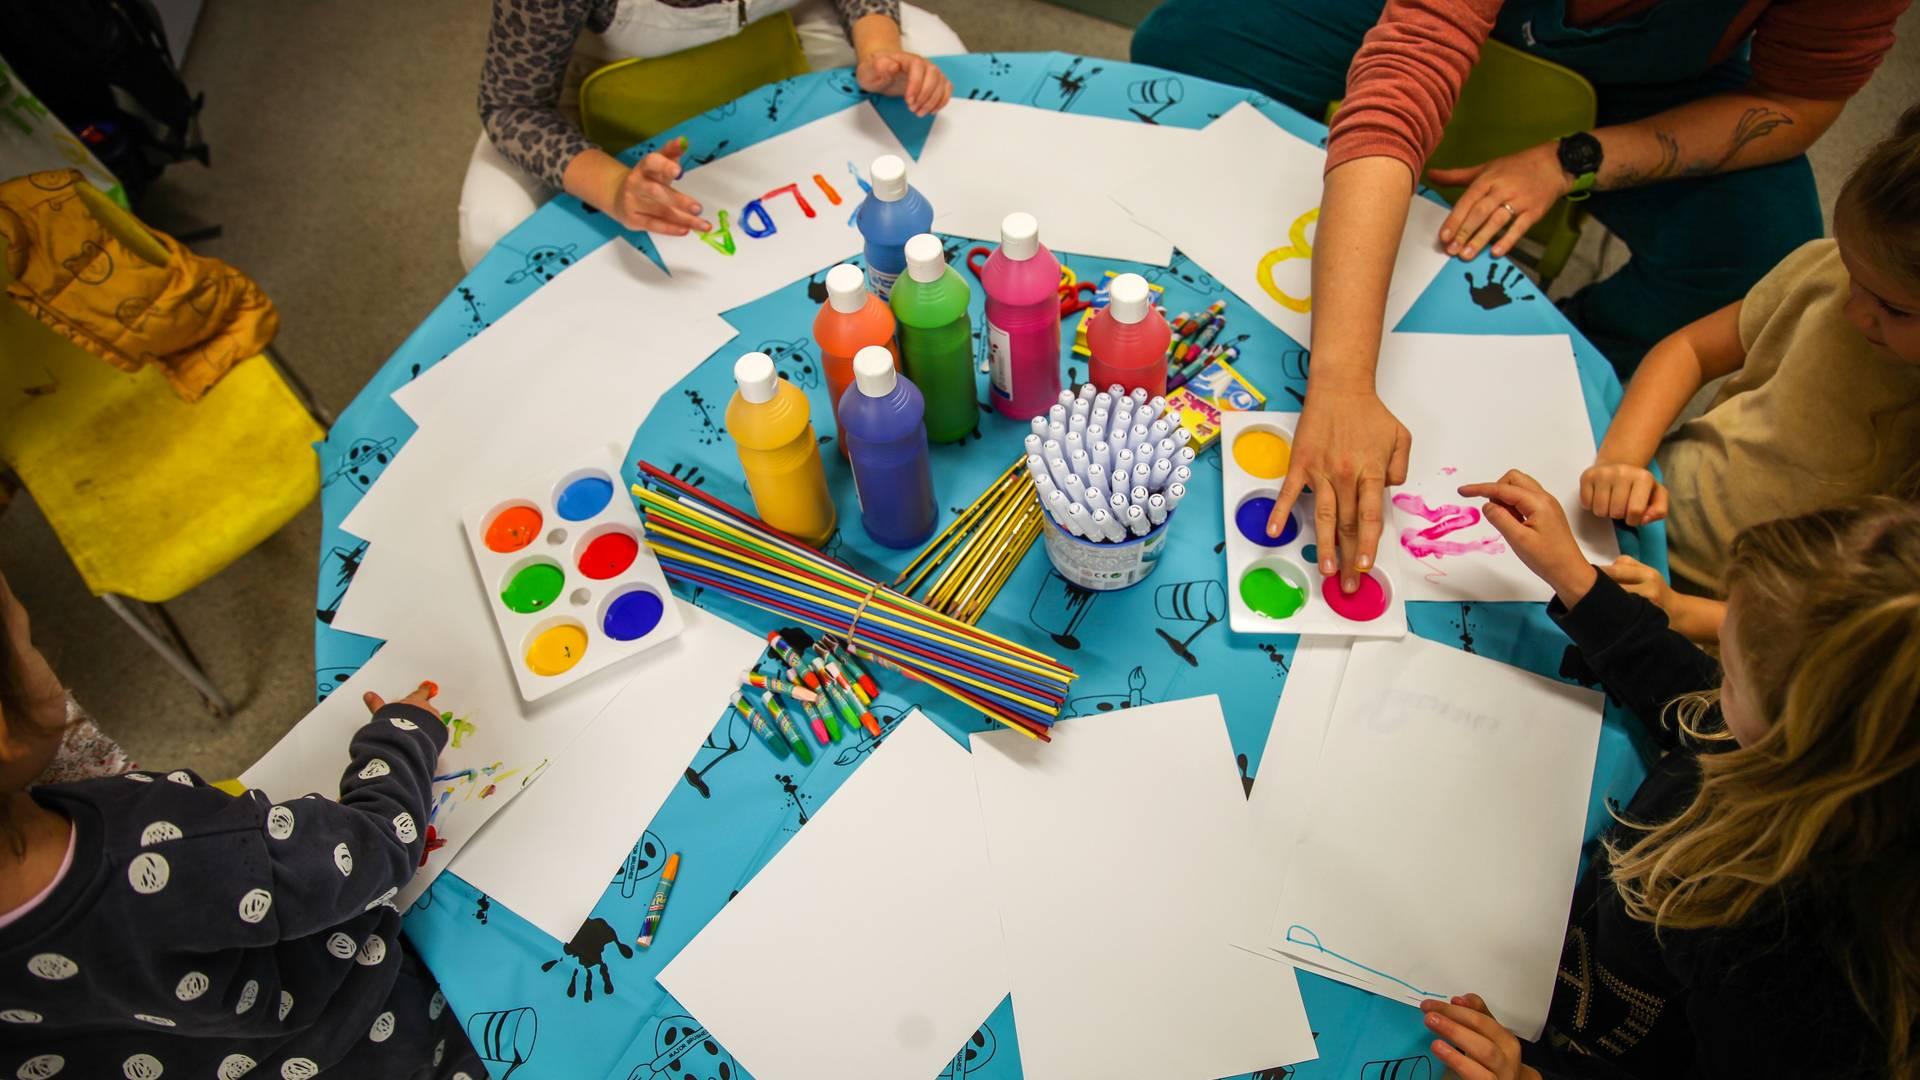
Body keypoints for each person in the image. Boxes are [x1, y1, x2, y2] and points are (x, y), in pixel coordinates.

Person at [1129, 0, 1909, 596]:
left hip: (1666, 90)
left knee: (1759, 254)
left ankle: (1573, 375)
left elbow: (1798, 104)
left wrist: (1576, 159)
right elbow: (1403, 87)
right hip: (1431, 25)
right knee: (1183, 47)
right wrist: (1339, 377)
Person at [1422, 474, 1920, 1079]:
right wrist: (1578, 581)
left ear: (1803, 754)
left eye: (1731, 674)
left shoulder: (1800, 970)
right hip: (1561, 932)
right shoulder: (1812, 746)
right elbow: (1689, 695)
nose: (1715, 680)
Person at [0, 571, 484, 1078]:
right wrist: (403, 736)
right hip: (364, 1034)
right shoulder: (158, 847)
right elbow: (376, 848)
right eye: (29, 645)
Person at [1576, 103, 1920, 644]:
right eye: (1854, 275)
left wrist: (1682, 612)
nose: (1855, 310)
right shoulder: (1829, 273)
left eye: (1895, 310)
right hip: (1652, 510)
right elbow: (1689, 349)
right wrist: (1622, 459)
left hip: (1743, 630)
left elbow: (1854, 629)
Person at [460, 0, 962, 269]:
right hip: (600, 80)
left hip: (774, 32)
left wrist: (880, 50)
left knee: (937, 48)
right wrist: (613, 187)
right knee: (490, 227)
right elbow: (512, 105)